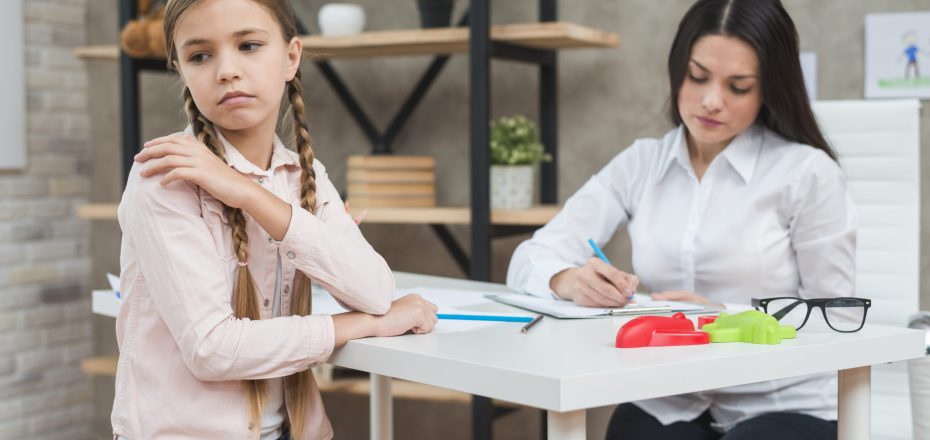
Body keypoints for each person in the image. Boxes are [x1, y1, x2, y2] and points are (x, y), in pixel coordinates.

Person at [507, 0, 854, 439]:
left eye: (739, 86)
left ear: (769, 90)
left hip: (781, 399)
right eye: (698, 76)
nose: (712, 101)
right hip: (671, 395)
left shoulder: (807, 173)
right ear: (678, 69)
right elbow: (530, 257)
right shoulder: (641, 164)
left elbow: (836, 319)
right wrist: (569, 280)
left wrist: (724, 318)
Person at [111, 1, 439, 439]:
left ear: (290, 57)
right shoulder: (164, 175)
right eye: (199, 55)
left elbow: (376, 291)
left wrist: (248, 193)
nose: (226, 70)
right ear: (181, 70)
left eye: (248, 45)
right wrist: (366, 325)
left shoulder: (303, 175)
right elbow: (213, 350)